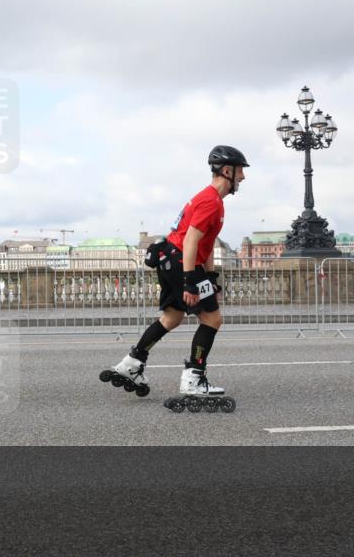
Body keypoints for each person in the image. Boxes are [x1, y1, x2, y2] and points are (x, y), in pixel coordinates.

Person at [100, 145, 248, 413]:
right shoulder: (210, 201)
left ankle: (132, 363)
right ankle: (194, 378)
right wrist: (191, 280)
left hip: (171, 258)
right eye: (240, 172)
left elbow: (207, 242)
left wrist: (210, 277)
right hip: (181, 261)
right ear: (227, 171)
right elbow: (192, 240)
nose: (243, 178)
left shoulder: (211, 201)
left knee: (172, 318)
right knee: (212, 320)